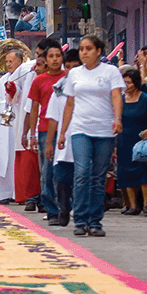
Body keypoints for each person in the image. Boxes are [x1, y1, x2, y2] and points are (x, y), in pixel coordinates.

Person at [56, 35, 123, 238]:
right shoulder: (75, 74)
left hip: (104, 129)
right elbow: (69, 104)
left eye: (88, 49)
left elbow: (116, 95)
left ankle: (95, 221)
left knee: (98, 176)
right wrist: (62, 132)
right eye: (82, 49)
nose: (84, 52)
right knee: (82, 172)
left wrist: (118, 118)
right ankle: (81, 219)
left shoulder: (110, 71)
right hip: (80, 128)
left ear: (98, 52)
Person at [0, 49, 37, 203]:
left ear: (20, 61)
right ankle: (3, 192)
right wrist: (7, 107)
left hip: (22, 120)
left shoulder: (29, 73)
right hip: (8, 121)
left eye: (11, 61)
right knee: (4, 156)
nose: (8, 64)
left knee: (20, 156)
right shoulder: (3, 80)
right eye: (7, 61)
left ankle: (20, 192)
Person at [24, 40, 65, 218]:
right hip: (44, 130)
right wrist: (32, 133)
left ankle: (64, 205)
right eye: (51, 56)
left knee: (63, 171)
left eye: (58, 56)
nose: (55, 60)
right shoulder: (39, 80)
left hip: (66, 130)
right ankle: (51, 209)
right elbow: (34, 108)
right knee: (47, 171)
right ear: (45, 60)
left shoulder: (68, 78)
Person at [44, 49, 82, 226]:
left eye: (75, 67)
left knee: (83, 180)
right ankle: (64, 207)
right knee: (61, 179)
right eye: (68, 67)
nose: (71, 71)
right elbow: (53, 118)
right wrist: (49, 143)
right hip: (63, 141)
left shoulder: (87, 88)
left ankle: (82, 213)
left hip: (84, 137)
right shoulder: (59, 90)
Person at [115, 68, 147, 216]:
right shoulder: (119, 100)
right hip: (123, 139)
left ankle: (146, 204)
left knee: (143, 171)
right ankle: (133, 205)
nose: (126, 85)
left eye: (129, 82)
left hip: (140, 140)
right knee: (124, 172)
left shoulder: (145, 99)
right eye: (124, 82)